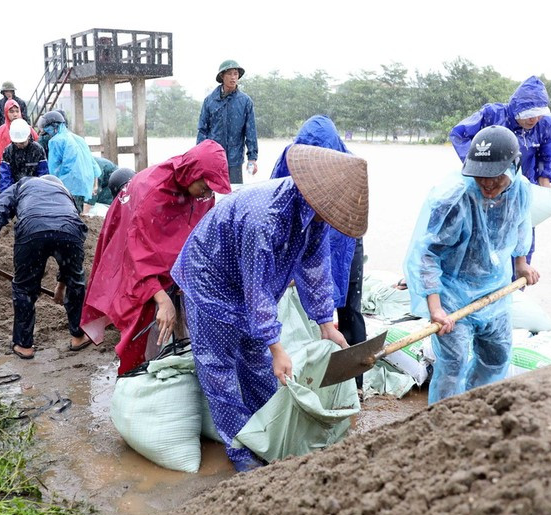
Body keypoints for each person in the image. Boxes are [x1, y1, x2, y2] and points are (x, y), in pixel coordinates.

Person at [171, 144, 368, 471]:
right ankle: (241, 452)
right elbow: (257, 287)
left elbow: (315, 265)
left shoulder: (315, 216)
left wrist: (325, 322)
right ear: (318, 194)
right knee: (220, 369)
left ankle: (270, 433)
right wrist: (277, 346)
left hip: (245, 282)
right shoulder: (266, 219)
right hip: (210, 278)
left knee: (257, 362)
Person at [405, 125, 540, 405]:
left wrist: (522, 263)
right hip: (453, 298)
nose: (487, 184)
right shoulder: (454, 199)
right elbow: (427, 254)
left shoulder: (521, 191)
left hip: (495, 292)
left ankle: (476, 409)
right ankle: (443, 420)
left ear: (514, 168)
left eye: (496, 178)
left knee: (496, 356)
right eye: (480, 177)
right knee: (452, 366)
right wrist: (436, 308)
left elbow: (521, 228)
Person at [80, 140, 231, 374]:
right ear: (193, 174)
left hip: (166, 252)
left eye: (213, 188)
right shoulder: (151, 194)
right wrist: (161, 299)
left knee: (186, 324)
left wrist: (187, 274)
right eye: (206, 185)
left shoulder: (201, 193)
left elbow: (201, 236)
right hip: (129, 247)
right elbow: (136, 256)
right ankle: (135, 374)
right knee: (141, 320)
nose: (209, 193)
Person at [270, 115, 365, 390]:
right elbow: (276, 203)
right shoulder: (291, 159)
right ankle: (309, 374)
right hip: (309, 231)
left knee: (348, 307)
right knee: (308, 307)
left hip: (343, 238)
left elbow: (356, 212)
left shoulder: (349, 165)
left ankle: (354, 386)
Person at [450, 76, 551, 268]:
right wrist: (482, 172)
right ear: (517, 109)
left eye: (539, 114)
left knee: (521, 240)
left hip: (520, 191)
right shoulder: (493, 115)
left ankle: (513, 289)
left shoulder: (545, 124)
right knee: (483, 241)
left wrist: (544, 180)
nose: (534, 119)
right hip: (486, 193)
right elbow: (460, 134)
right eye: (530, 113)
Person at [0, 174, 90, 359]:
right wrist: (64, 284)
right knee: (76, 281)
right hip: (69, 228)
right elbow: (70, 232)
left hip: (32, 228)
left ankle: (24, 345)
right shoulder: (65, 194)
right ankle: (78, 336)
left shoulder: (22, 185)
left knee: (25, 287)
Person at [197, 59, 258, 185]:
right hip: (213, 158)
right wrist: (199, 156)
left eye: (235, 74)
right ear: (222, 76)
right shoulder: (210, 101)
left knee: (234, 194)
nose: (233, 77)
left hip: (235, 160)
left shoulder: (245, 101)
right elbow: (203, 130)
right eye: (229, 74)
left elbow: (250, 131)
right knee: (211, 195)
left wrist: (252, 158)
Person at [39, 110, 99, 212]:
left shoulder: (56, 141)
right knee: (77, 213)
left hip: (68, 184)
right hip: (83, 184)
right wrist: (94, 183)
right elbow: (93, 163)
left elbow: (54, 168)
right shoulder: (78, 138)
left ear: (54, 126)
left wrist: (53, 185)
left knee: (65, 213)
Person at [0, 99, 38, 185]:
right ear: (6, 113)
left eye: (17, 111)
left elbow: (38, 150)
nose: (15, 114)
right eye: (11, 111)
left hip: (29, 174)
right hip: (7, 174)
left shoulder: (28, 129)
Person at [0, 120, 47, 193]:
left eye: (22, 143)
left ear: (28, 136)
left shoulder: (38, 150)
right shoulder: (8, 151)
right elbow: (5, 176)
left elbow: (43, 174)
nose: (19, 145)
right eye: (16, 143)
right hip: (14, 190)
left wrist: (41, 191)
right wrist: (6, 194)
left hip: (35, 190)